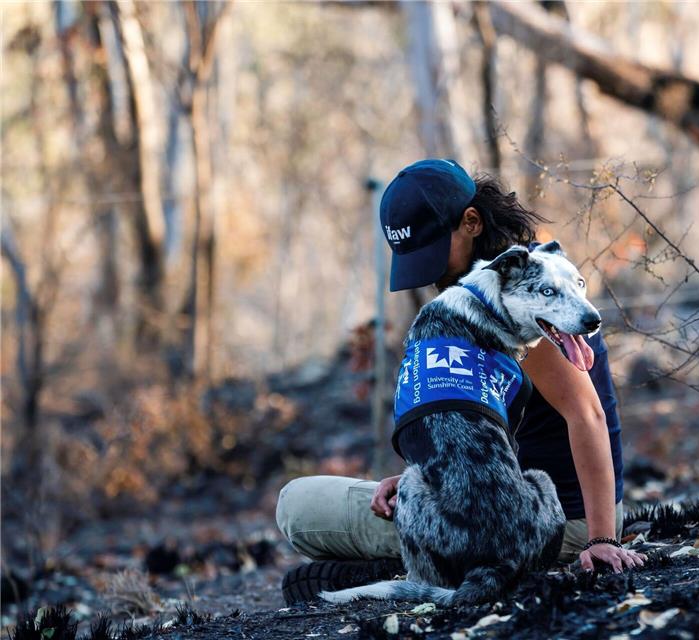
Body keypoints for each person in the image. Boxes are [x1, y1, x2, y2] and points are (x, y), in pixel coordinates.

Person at [275, 159, 643, 605]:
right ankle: (423, 562)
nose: (428, 274)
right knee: (376, 495)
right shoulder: (531, 274)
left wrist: (601, 540)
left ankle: (416, 572)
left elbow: (586, 413)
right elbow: (480, 423)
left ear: (471, 222)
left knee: (297, 506)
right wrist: (431, 469)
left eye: (432, 254)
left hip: (549, 526)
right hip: (513, 506)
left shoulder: (515, 302)